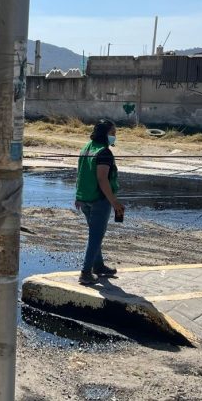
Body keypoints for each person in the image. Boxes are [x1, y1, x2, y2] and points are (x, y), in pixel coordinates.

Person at [74, 119, 125, 285]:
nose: (114, 136)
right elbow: (102, 179)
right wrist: (114, 202)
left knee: (95, 234)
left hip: (85, 198)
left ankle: (99, 266)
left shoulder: (86, 147)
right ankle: (85, 272)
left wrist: (78, 196)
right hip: (99, 200)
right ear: (105, 134)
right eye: (113, 133)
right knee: (95, 236)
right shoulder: (104, 152)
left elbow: (81, 173)